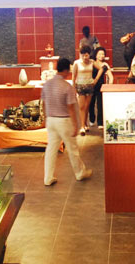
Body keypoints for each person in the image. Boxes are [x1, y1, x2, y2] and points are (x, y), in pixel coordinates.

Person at [41, 57, 91, 185]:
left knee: (51, 149)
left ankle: (48, 178)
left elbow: (44, 103)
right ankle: (80, 173)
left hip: (51, 120)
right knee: (72, 148)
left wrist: (45, 118)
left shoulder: (47, 84)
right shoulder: (67, 87)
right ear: (66, 70)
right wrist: (76, 125)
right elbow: (71, 108)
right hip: (63, 121)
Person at [72, 46, 97, 134]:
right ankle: (82, 126)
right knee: (81, 107)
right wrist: (74, 88)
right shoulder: (76, 63)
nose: (85, 57)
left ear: (89, 55)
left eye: (86, 55)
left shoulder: (92, 62)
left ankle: (85, 124)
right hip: (80, 86)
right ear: (80, 55)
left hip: (89, 86)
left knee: (87, 107)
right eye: (83, 55)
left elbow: (102, 67)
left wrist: (95, 80)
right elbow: (73, 76)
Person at [88, 46, 113, 130]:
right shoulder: (92, 63)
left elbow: (111, 77)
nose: (101, 56)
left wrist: (109, 86)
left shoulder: (105, 65)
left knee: (100, 105)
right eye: (99, 54)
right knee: (91, 103)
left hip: (101, 86)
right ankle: (91, 119)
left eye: (103, 54)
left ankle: (100, 123)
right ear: (96, 55)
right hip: (91, 85)